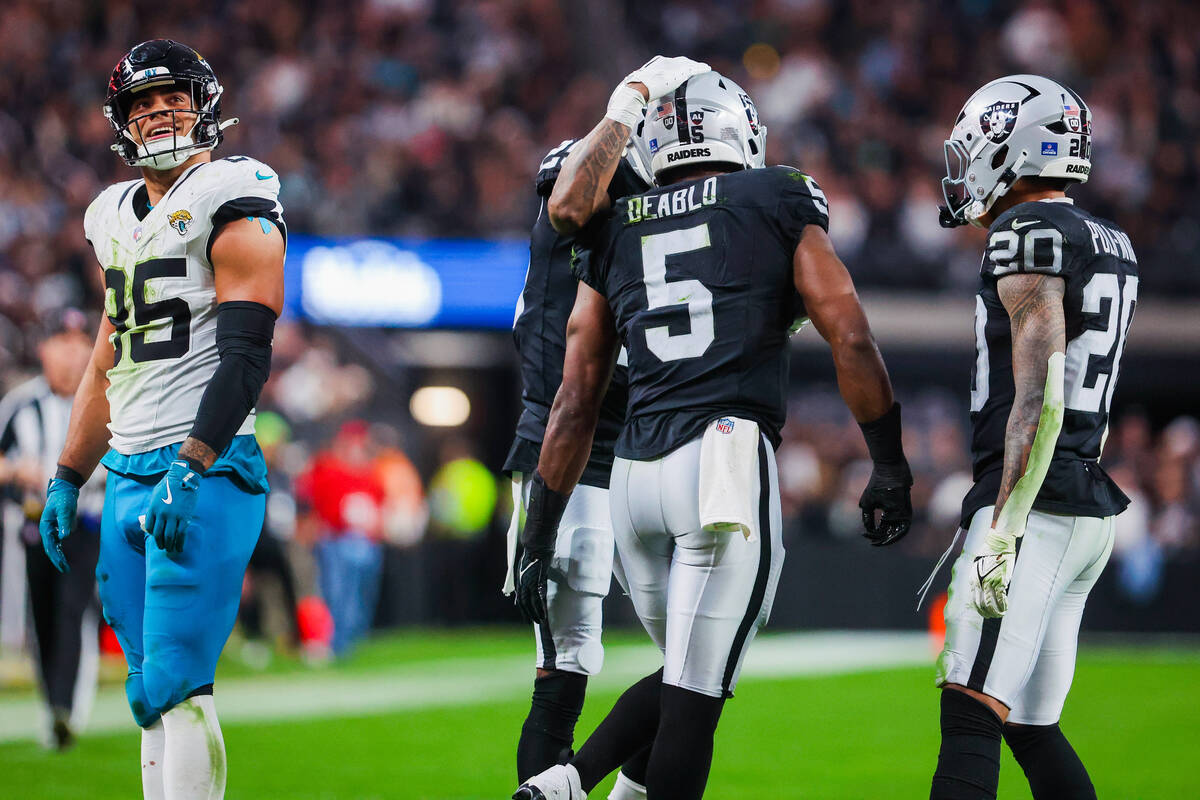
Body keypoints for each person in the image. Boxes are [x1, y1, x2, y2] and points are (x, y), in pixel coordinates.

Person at [514, 68, 912, 800]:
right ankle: (569, 781)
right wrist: (887, 463)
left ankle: (569, 780)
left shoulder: (616, 221)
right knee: (696, 698)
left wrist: (540, 524)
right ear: (742, 130)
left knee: (685, 678)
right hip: (722, 458)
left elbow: (576, 399)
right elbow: (850, 336)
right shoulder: (778, 195)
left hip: (633, 473)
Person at [37, 39, 285, 800]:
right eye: (140, 103)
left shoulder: (235, 189)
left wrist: (195, 459)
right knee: (146, 692)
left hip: (205, 467)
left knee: (178, 678)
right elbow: (109, 357)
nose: (157, 111)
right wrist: (67, 473)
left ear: (205, 101)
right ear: (121, 121)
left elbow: (246, 355)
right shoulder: (110, 213)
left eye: (170, 95)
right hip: (126, 470)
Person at [930, 75, 1136, 800]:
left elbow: (1042, 392)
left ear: (1019, 145)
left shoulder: (1028, 232)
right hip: (1082, 503)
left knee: (971, 713)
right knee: (1031, 728)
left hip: (1033, 508)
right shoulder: (1107, 237)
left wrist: (1004, 526)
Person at [503, 55, 699, 799]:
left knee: (693, 663)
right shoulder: (590, 176)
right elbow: (570, 202)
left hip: (644, 448)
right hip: (566, 452)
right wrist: (628, 105)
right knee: (568, 662)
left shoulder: (664, 206)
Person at [0, 311, 103, 749]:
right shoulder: (21, 404)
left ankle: (65, 707)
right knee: (42, 615)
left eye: (82, 343)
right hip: (32, 520)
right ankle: (55, 706)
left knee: (70, 608)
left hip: (87, 521)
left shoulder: (104, 396)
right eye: (62, 343)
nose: (72, 354)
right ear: (44, 350)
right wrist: (16, 470)